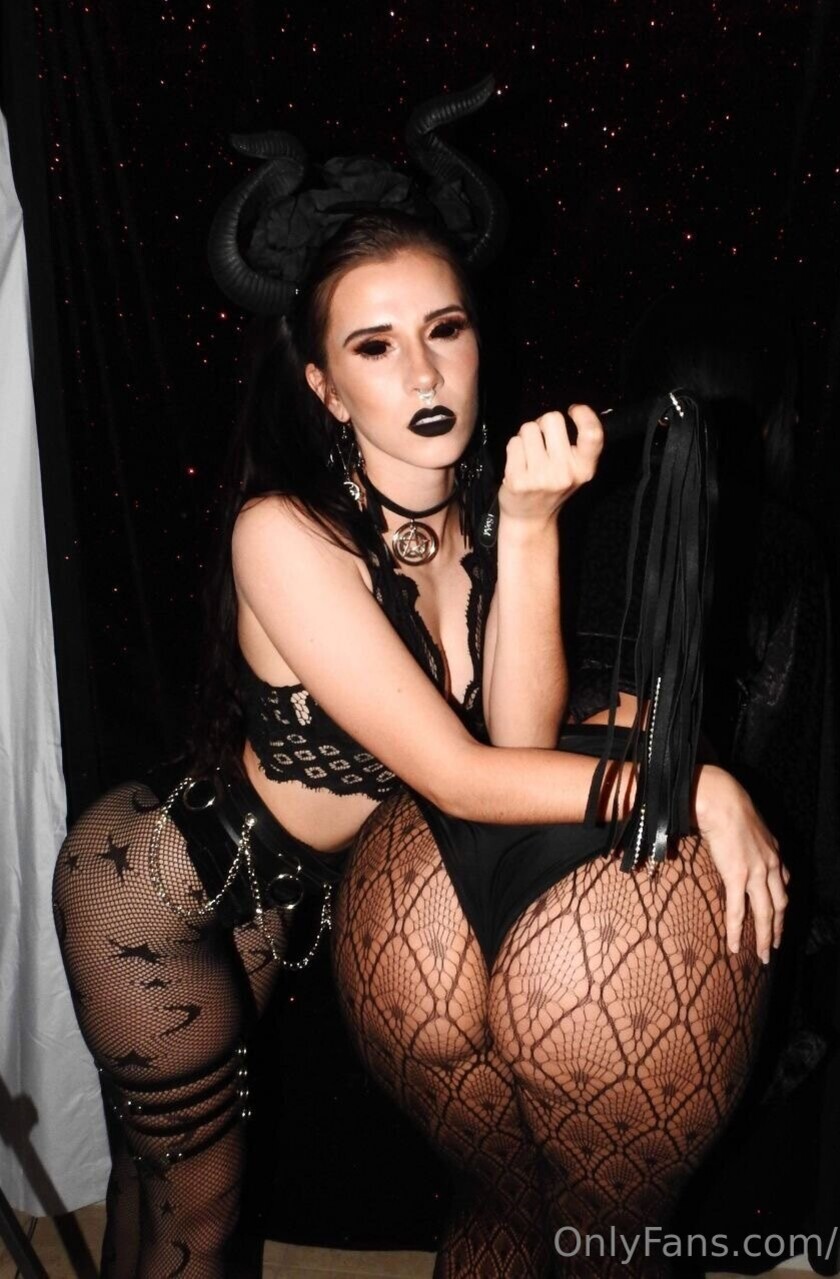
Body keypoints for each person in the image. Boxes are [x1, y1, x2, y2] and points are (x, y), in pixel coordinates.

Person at [53, 88, 786, 1279]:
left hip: (279, 902)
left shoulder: (490, 505)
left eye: (446, 329)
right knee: (195, 1212)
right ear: (323, 386)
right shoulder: (282, 535)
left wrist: (532, 528)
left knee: (160, 1184)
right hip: (159, 897)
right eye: (374, 345)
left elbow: (516, 737)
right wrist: (689, 785)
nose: (423, 370)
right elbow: (456, 775)